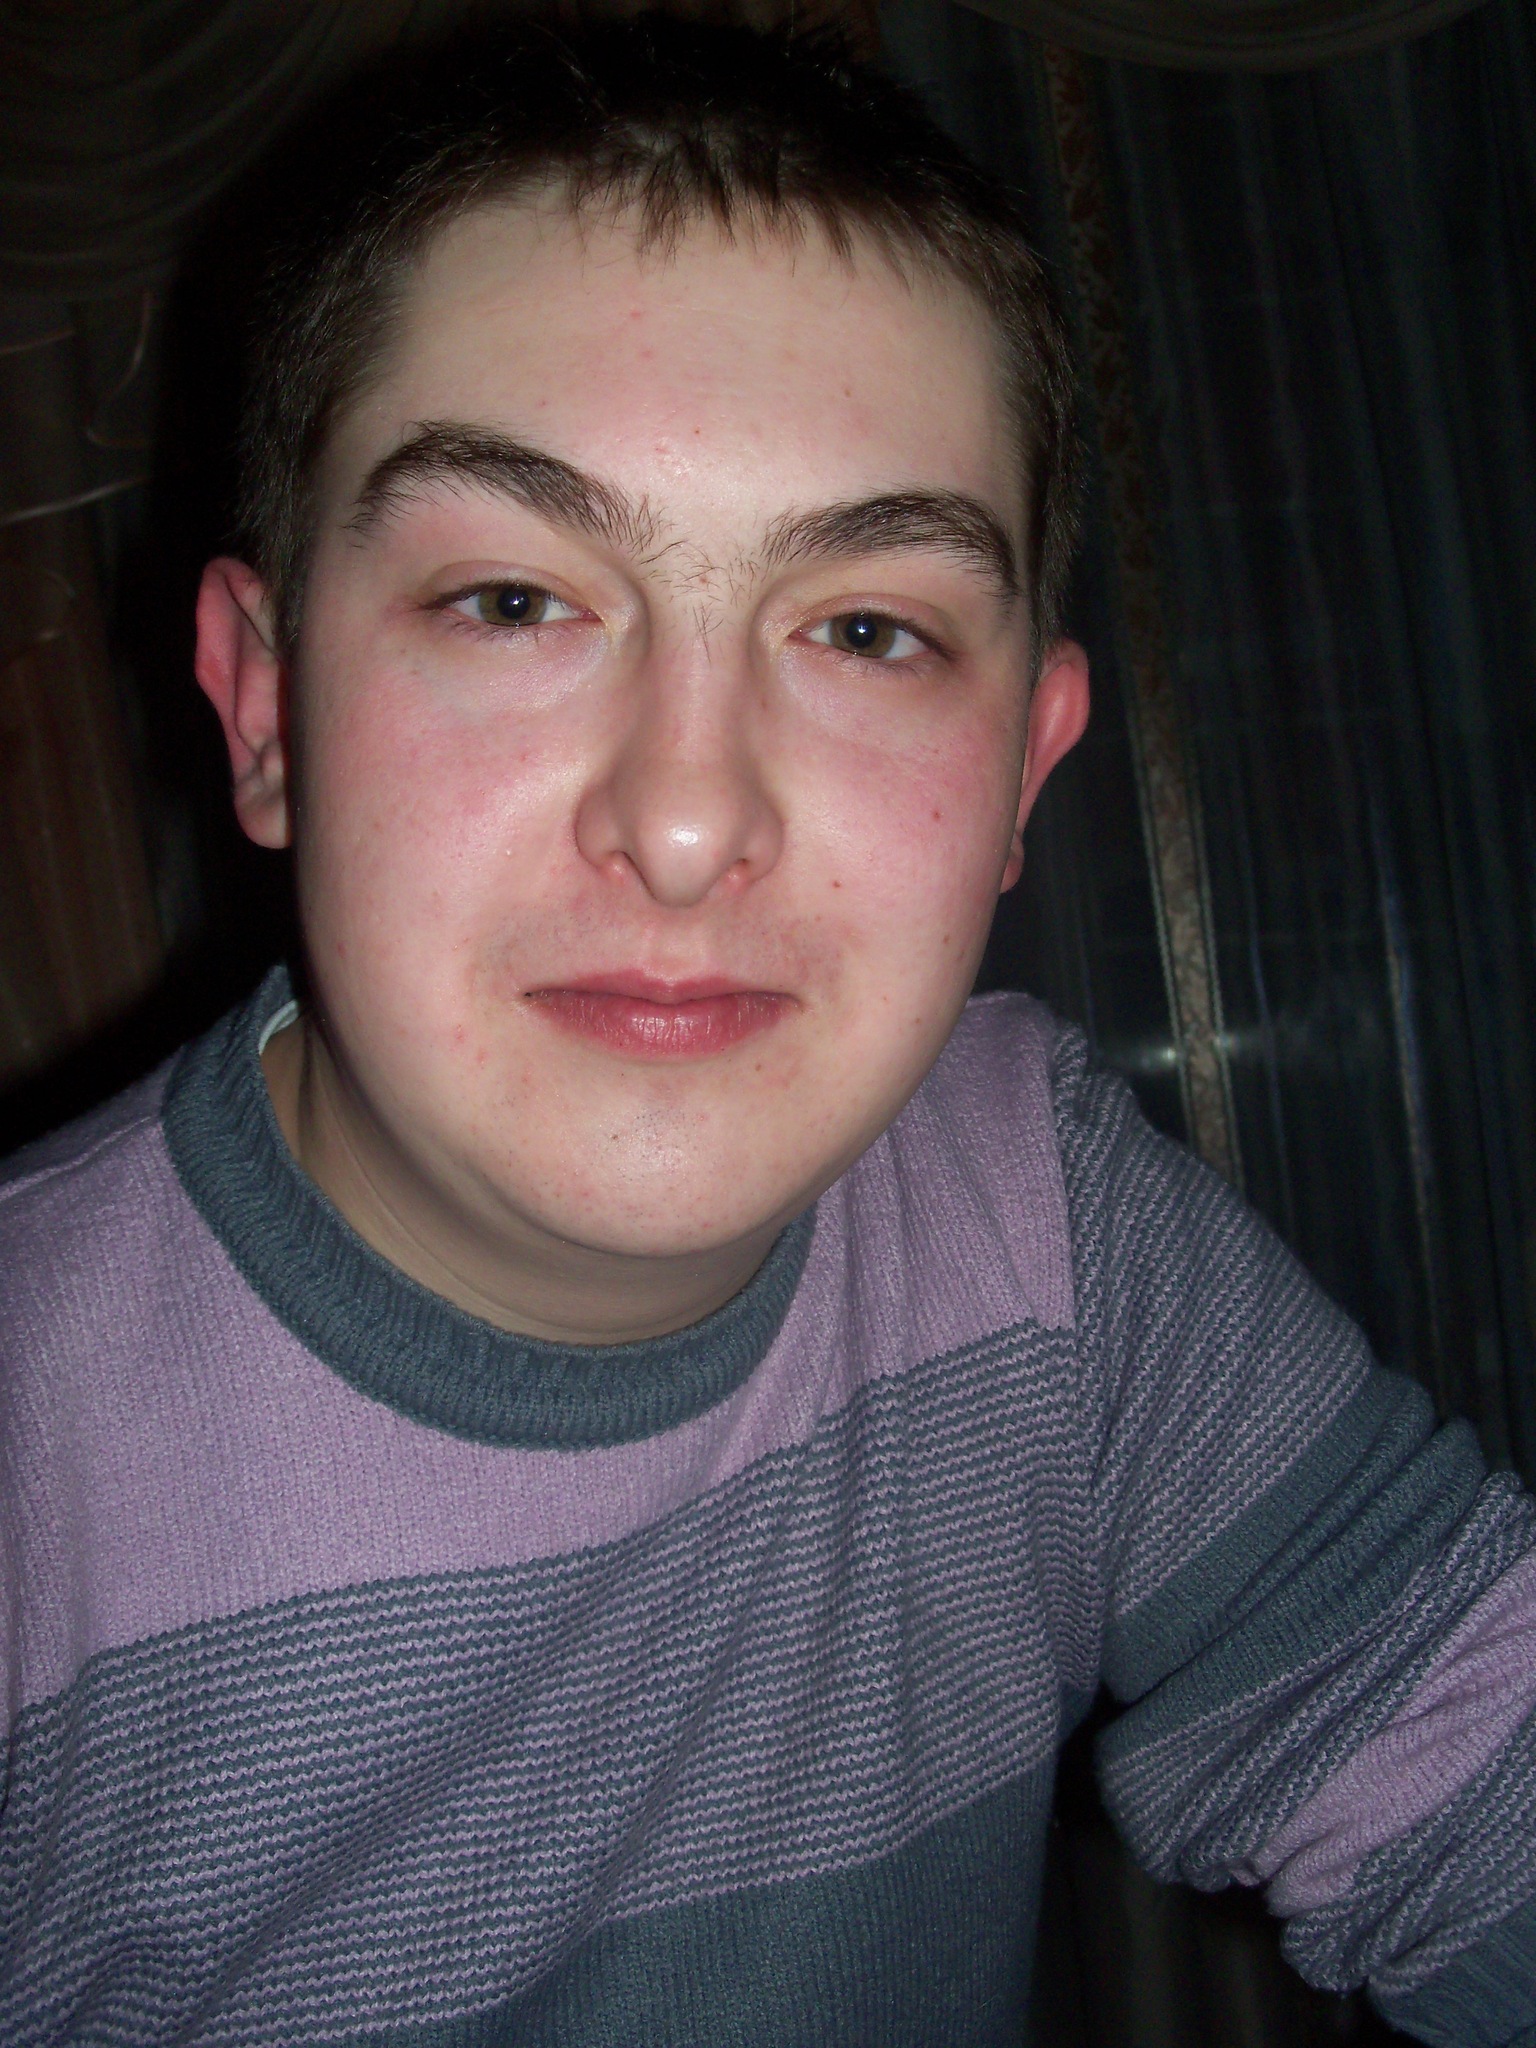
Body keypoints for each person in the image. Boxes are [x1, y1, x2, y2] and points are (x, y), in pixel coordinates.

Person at [0, 15, 1531, 2043]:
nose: (688, 816)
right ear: (268, 708)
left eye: (867, 630)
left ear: (1022, 768)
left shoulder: (1038, 1220)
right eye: (513, 601)